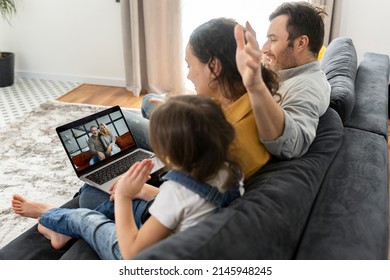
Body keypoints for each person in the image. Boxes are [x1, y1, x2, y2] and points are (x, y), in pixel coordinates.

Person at [76, 17, 280, 212]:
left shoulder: (217, 146)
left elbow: (183, 202)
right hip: (192, 150)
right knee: (150, 101)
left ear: (214, 67)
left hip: (181, 163)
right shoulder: (253, 100)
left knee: (89, 195)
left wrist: (140, 189)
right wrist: (176, 109)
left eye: (190, 65)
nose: (189, 74)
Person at [12, 95, 244, 260]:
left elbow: (133, 254)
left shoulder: (176, 193)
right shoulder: (228, 169)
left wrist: (124, 196)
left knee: (86, 218)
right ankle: (62, 229)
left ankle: (49, 215)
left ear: (169, 154)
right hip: (183, 230)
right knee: (112, 203)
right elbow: (191, 204)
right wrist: (142, 191)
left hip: (144, 255)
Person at [144, 1, 330, 160]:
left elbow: (292, 144)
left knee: (146, 106)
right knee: (152, 100)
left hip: (204, 134)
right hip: (218, 117)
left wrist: (256, 85)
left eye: (273, 40)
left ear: (300, 43)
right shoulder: (287, 72)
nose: (265, 49)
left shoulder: (307, 87)